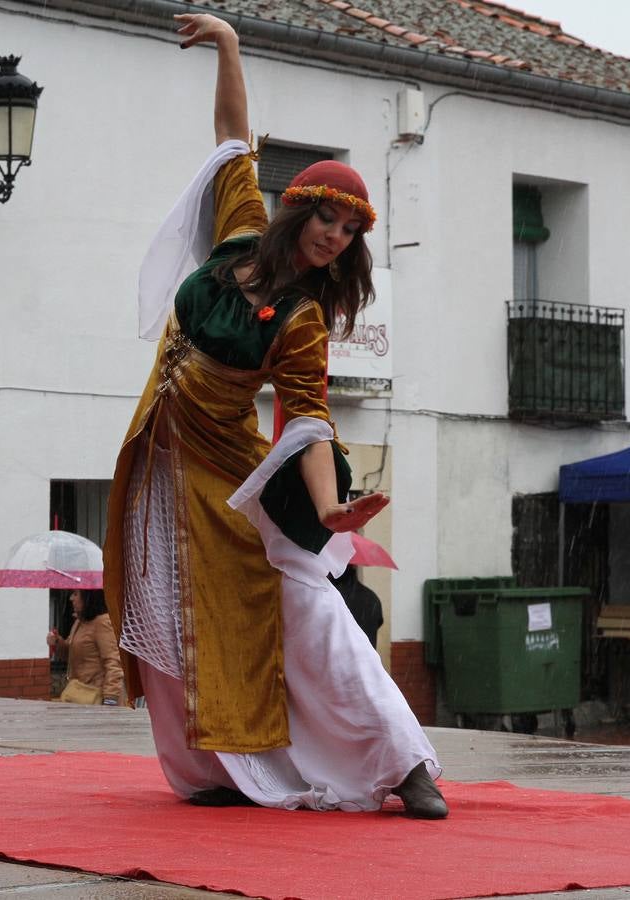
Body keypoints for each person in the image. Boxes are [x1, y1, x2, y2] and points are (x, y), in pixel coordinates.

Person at [101, 13, 445, 819]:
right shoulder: (235, 239)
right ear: (297, 211)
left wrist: (329, 510)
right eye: (329, 218)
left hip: (233, 478)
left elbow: (309, 420)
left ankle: (403, 764)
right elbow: (232, 137)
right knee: (170, 619)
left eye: (352, 229)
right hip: (159, 465)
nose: (337, 236)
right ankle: (209, 770)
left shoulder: (300, 320)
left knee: (310, 612)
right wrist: (227, 43)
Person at [47, 589, 125, 705]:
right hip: (79, 695)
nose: (71, 598)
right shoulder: (80, 622)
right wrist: (57, 642)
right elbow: (70, 655)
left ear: (89, 597)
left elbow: (114, 663)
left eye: (76, 594)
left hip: (96, 697)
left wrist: (110, 700)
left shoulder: (103, 622)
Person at [330, 565, 384, 648]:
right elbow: (379, 621)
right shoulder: (372, 597)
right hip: (368, 657)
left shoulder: (331, 597)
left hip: (339, 657)